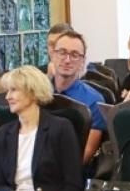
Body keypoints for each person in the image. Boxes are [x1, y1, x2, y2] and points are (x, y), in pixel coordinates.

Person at [46, 30, 107, 163]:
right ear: (52, 55)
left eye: (74, 55)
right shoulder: (38, 93)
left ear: (82, 61)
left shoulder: (94, 100)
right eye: (62, 52)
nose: (67, 60)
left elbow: (86, 154)